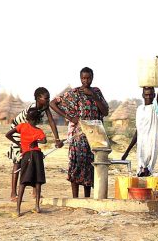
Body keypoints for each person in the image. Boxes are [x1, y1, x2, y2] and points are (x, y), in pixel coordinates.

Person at [52, 67, 109, 198]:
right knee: (76, 164)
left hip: (94, 136)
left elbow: (105, 111)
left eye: (88, 78)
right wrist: (70, 117)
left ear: (92, 78)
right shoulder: (75, 93)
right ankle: (75, 198)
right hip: (79, 136)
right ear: (80, 78)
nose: (86, 80)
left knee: (90, 166)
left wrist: (93, 95)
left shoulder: (97, 92)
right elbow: (53, 103)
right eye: (83, 78)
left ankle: (87, 197)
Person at [7, 87, 63, 201]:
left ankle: (34, 191)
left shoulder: (45, 106)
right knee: (18, 161)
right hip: (19, 131)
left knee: (33, 158)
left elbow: (51, 121)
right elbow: (26, 127)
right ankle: (13, 193)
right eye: (46, 98)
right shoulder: (32, 109)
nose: (48, 100)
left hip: (29, 132)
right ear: (38, 99)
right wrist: (22, 144)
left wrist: (57, 138)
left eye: (49, 98)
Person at [122, 56, 158, 177]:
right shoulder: (140, 110)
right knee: (140, 176)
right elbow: (138, 132)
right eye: (146, 95)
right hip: (141, 147)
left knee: (148, 173)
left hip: (151, 147)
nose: (148, 97)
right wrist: (127, 152)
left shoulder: (156, 108)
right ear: (142, 95)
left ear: (154, 95)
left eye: (151, 95)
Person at [6, 108, 47, 216]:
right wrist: (36, 140)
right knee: (38, 181)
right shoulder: (39, 131)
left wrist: (18, 144)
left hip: (27, 156)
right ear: (38, 119)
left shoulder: (22, 126)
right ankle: (37, 206)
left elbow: (8, 134)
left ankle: (18, 209)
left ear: (27, 118)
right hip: (37, 156)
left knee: (23, 182)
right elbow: (44, 141)